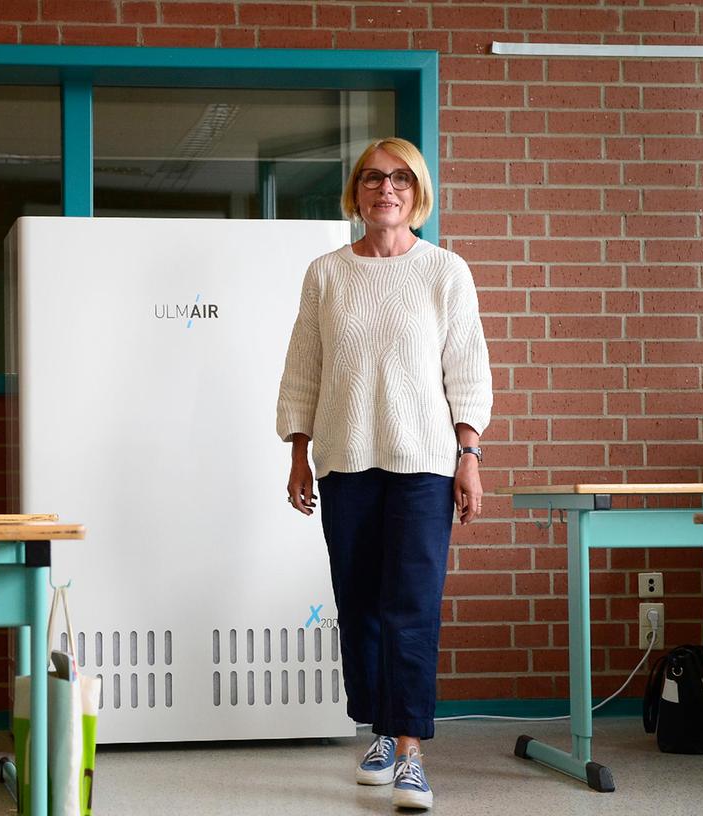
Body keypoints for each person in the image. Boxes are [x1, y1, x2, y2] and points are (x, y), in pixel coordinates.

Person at [275, 137, 492, 811]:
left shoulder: (444, 271)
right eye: (372, 178)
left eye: (399, 179)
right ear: (356, 192)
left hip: (423, 465)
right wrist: (296, 451)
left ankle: (409, 751)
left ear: (416, 191)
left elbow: (467, 369)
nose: (385, 189)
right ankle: (376, 728)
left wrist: (469, 456)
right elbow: (303, 368)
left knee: (412, 606)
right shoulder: (326, 274)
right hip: (344, 461)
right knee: (360, 604)